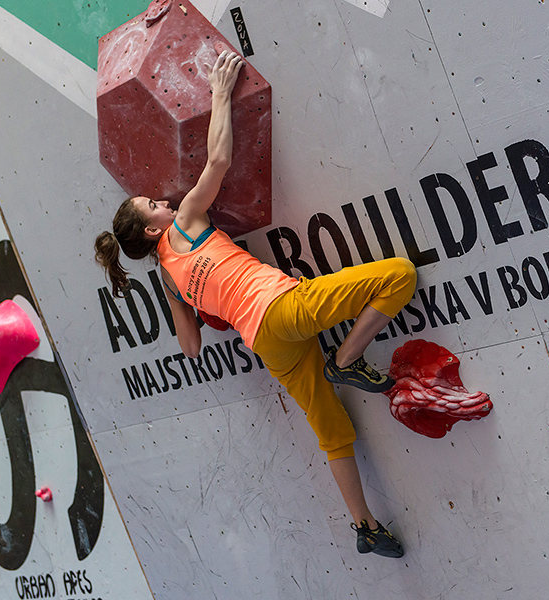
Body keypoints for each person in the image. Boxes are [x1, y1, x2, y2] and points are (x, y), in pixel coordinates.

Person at [95, 50, 416, 558]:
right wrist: (220, 93)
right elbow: (218, 161)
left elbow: (192, 349)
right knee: (399, 276)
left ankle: (364, 527)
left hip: (267, 343)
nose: (164, 200)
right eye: (154, 205)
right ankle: (347, 359)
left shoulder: (167, 280)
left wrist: (186, 299)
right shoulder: (186, 223)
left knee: (330, 430)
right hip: (281, 307)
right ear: (155, 227)